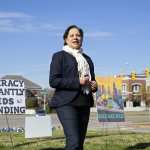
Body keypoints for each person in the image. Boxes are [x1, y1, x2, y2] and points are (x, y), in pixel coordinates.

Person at [49, 25, 97, 150]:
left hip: (84, 102)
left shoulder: (87, 59)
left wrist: (94, 85)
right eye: (72, 35)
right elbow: (53, 81)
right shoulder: (59, 56)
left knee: (79, 144)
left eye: (78, 35)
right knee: (74, 142)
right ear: (66, 39)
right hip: (66, 103)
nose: (75, 38)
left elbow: (93, 80)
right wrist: (78, 81)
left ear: (82, 39)